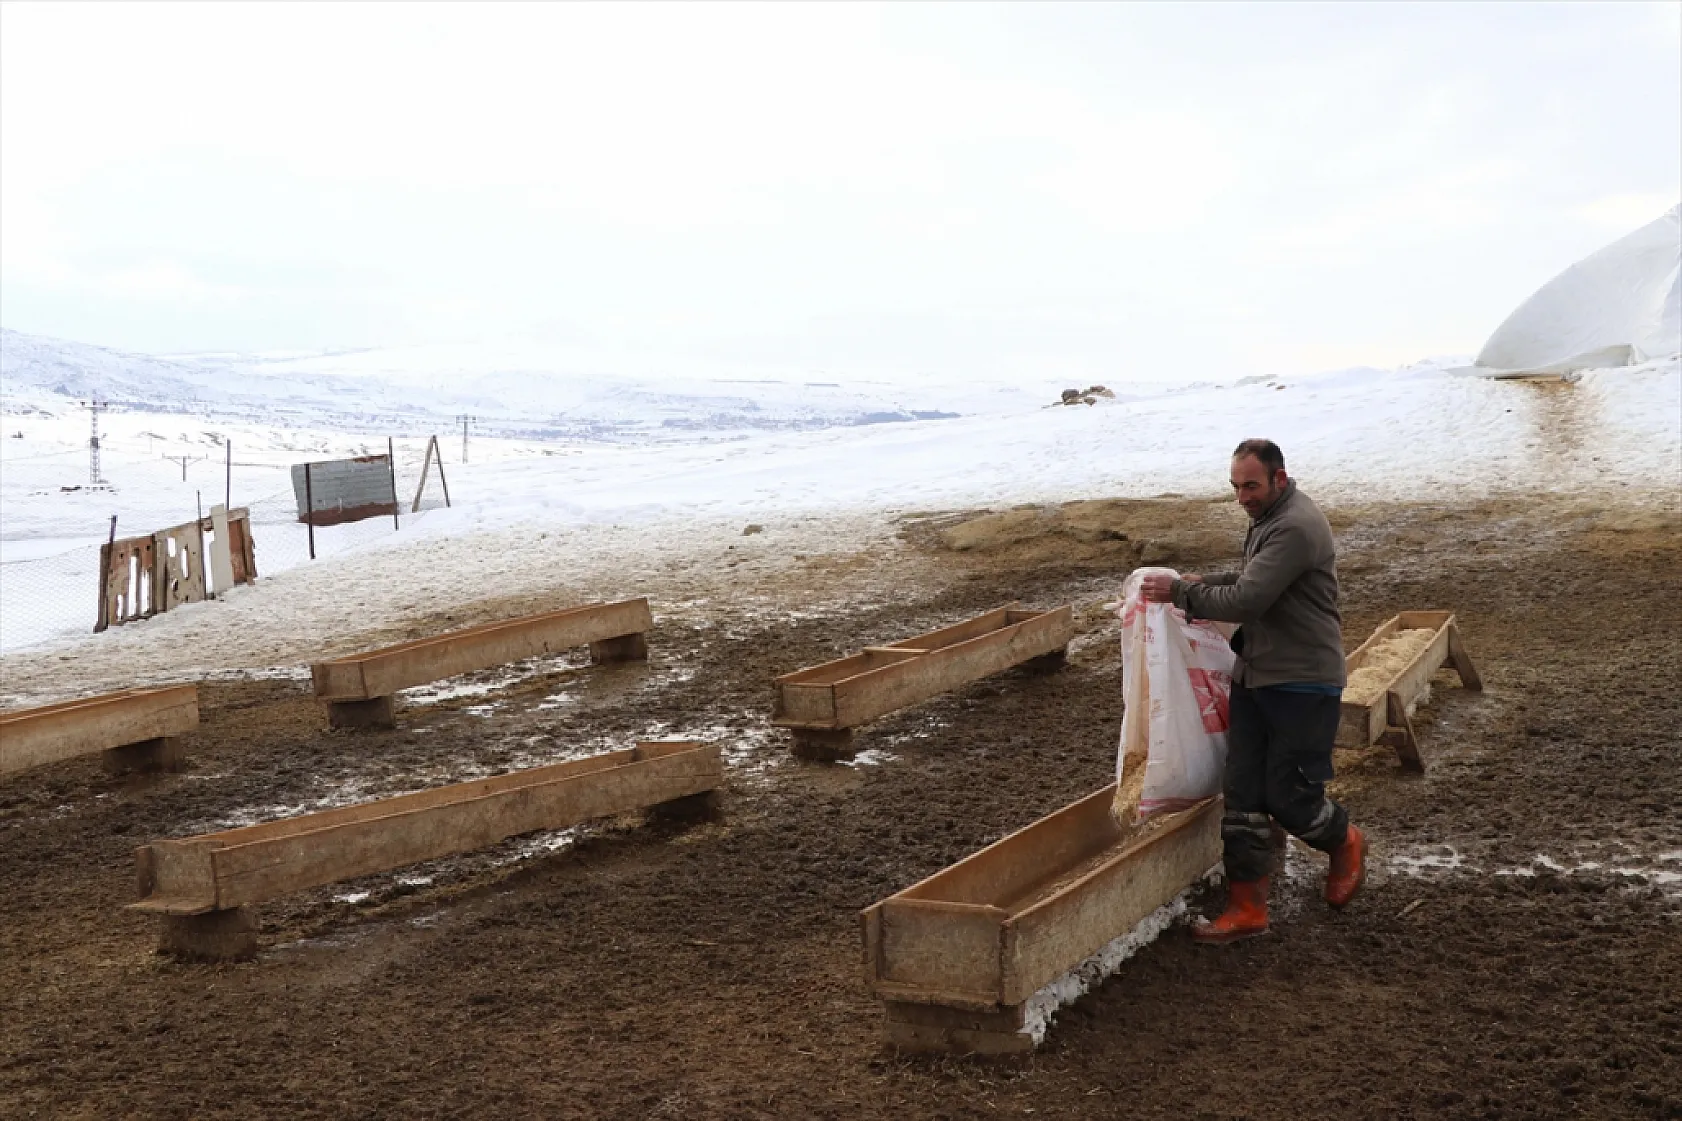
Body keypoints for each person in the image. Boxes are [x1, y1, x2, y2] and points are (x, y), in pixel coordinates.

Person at [1139, 438, 1365, 942]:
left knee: (1288, 794)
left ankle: (1344, 839)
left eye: (1252, 486)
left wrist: (1182, 592)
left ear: (1280, 478)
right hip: (1257, 674)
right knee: (1241, 791)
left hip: (1303, 682)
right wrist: (1204, 581)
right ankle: (1247, 907)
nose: (1243, 496)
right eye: (1236, 487)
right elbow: (1249, 578)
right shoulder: (1270, 518)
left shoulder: (1296, 525)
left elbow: (1250, 597)